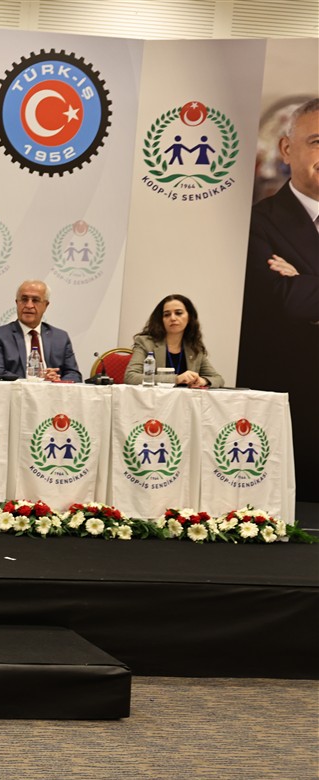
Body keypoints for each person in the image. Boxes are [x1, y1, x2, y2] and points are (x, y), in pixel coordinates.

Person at [238, 97, 319, 501]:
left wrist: (305, 282)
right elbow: (285, 304)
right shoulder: (256, 223)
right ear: (287, 149)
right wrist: (297, 291)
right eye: (317, 142)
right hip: (295, 415)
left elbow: (302, 298)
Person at [0, 280, 81, 382]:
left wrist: (57, 381)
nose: (29, 305)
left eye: (35, 300)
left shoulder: (60, 337)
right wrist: (35, 381)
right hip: (15, 391)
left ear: (46, 305)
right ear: (17, 303)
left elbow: (74, 375)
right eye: (24, 299)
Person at [124, 294, 223, 387]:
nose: (172, 318)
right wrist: (176, 379)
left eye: (178, 313)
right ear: (161, 319)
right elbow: (131, 377)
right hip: (155, 398)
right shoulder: (146, 343)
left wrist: (203, 381)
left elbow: (218, 379)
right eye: (167, 315)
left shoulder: (193, 347)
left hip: (185, 399)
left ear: (189, 317)